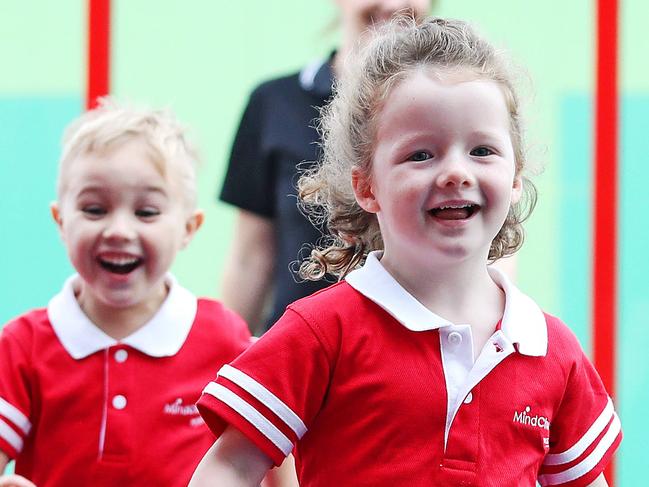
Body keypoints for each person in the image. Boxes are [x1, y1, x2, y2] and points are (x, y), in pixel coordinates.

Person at [191, 16, 622, 487]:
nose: (456, 171)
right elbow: (231, 466)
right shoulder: (322, 331)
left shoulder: (550, 348)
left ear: (516, 179)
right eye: (421, 155)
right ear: (367, 187)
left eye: (482, 150)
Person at [0, 99, 251, 487]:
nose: (119, 229)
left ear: (189, 227)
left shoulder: (224, 338)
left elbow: (270, 456)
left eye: (146, 212)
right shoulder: (22, 346)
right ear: (60, 221)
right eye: (95, 209)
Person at [219, 0, 433, 334]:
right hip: (299, 355)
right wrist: (225, 360)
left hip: (418, 359)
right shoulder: (274, 102)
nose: (393, 5)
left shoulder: (452, 107)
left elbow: (489, 249)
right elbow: (250, 259)